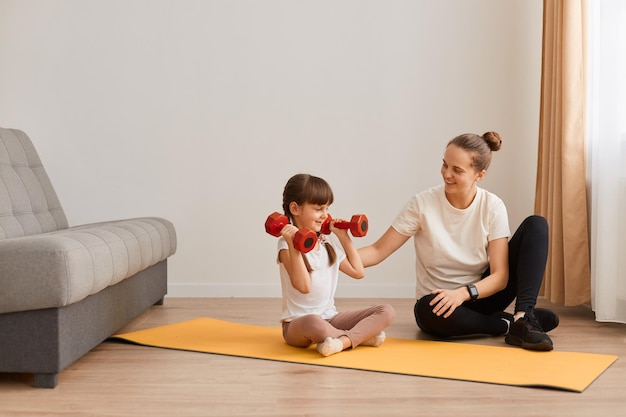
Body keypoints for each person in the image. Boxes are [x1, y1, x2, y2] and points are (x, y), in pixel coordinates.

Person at [358, 132, 559, 351]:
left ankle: (524, 316)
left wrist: (463, 293)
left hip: (482, 295)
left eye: (457, 170)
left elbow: (500, 277)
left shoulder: (492, 206)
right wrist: (330, 257)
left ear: (479, 175)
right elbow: (378, 251)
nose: (447, 174)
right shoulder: (422, 204)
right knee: (426, 309)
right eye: (445, 165)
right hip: (440, 305)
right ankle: (508, 324)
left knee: (536, 225)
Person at [274, 173, 395, 357]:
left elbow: (358, 271)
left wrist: (344, 237)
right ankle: (359, 338)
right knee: (314, 323)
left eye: (327, 208)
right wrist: (293, 245)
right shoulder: (285, 246)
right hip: (298, 324)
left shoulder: (326, 243)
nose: (324, 215)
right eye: (318, 209)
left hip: (330, 318)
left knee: (386, 311)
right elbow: (304, 286)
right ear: (295, 208)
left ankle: (342, 341)